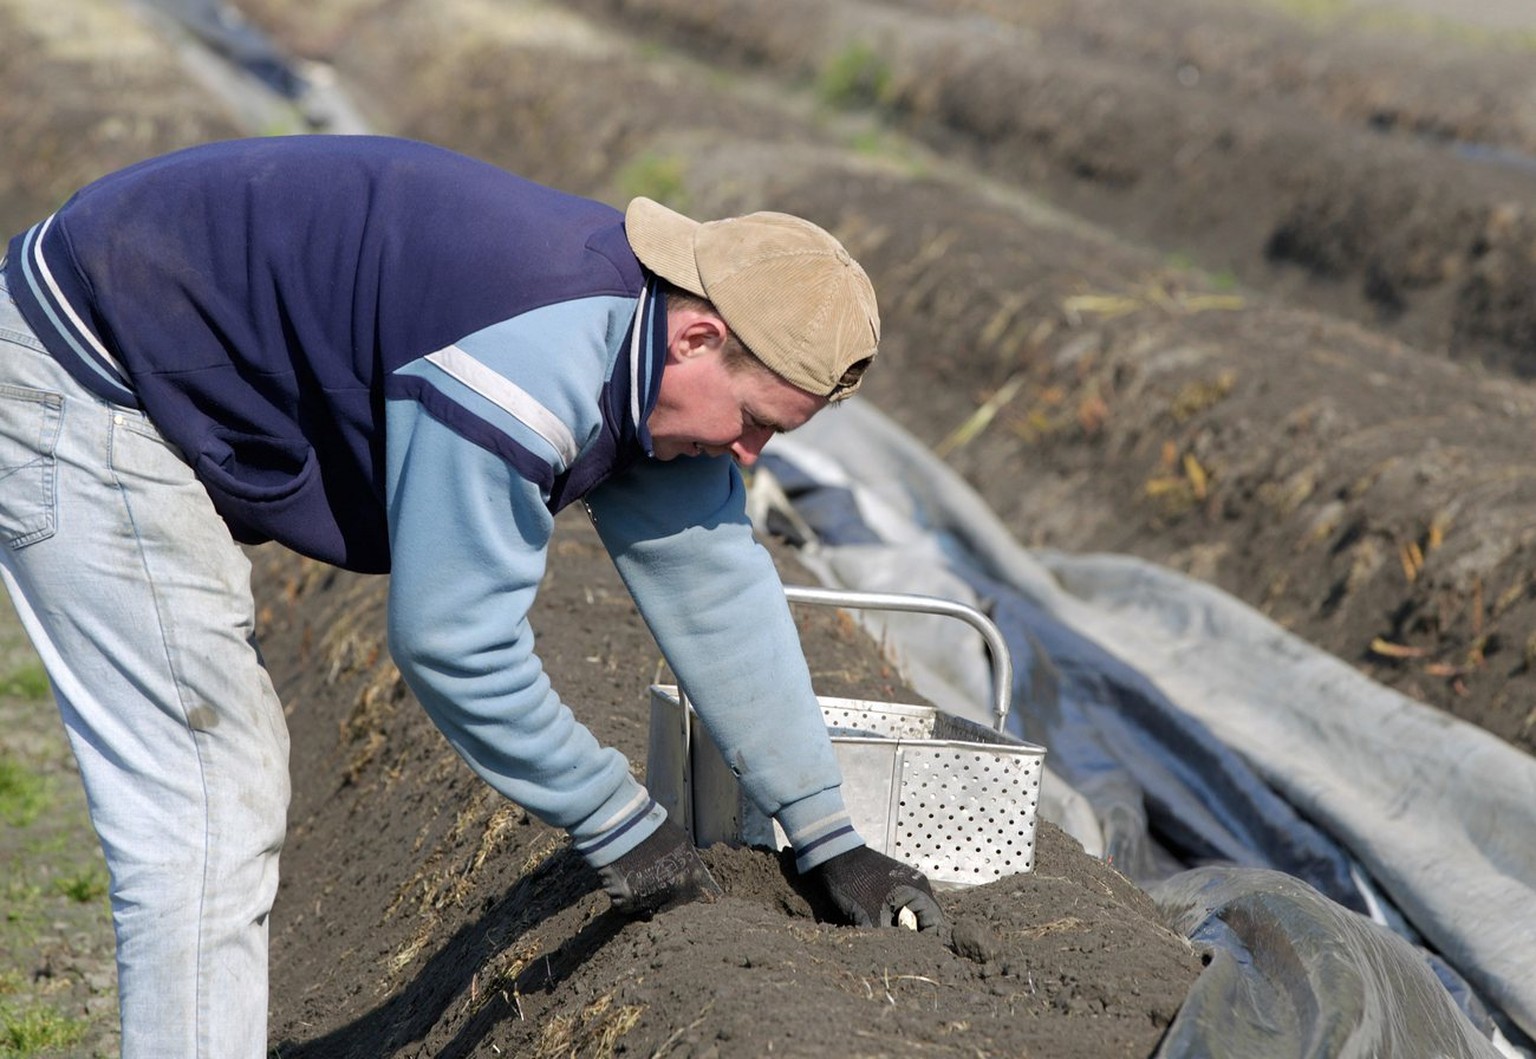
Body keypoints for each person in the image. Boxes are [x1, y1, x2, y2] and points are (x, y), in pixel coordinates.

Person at [0, 134, 943, 1056]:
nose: (750, 455)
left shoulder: (653, 350)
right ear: (701, 334)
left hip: (163, 344)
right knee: (207, 800)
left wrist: (825, 835)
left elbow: (718, 586)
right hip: (86, 371)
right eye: (755, 424)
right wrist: (618, 822)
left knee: (222, 789)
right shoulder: (529, 357)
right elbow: (454, 640)